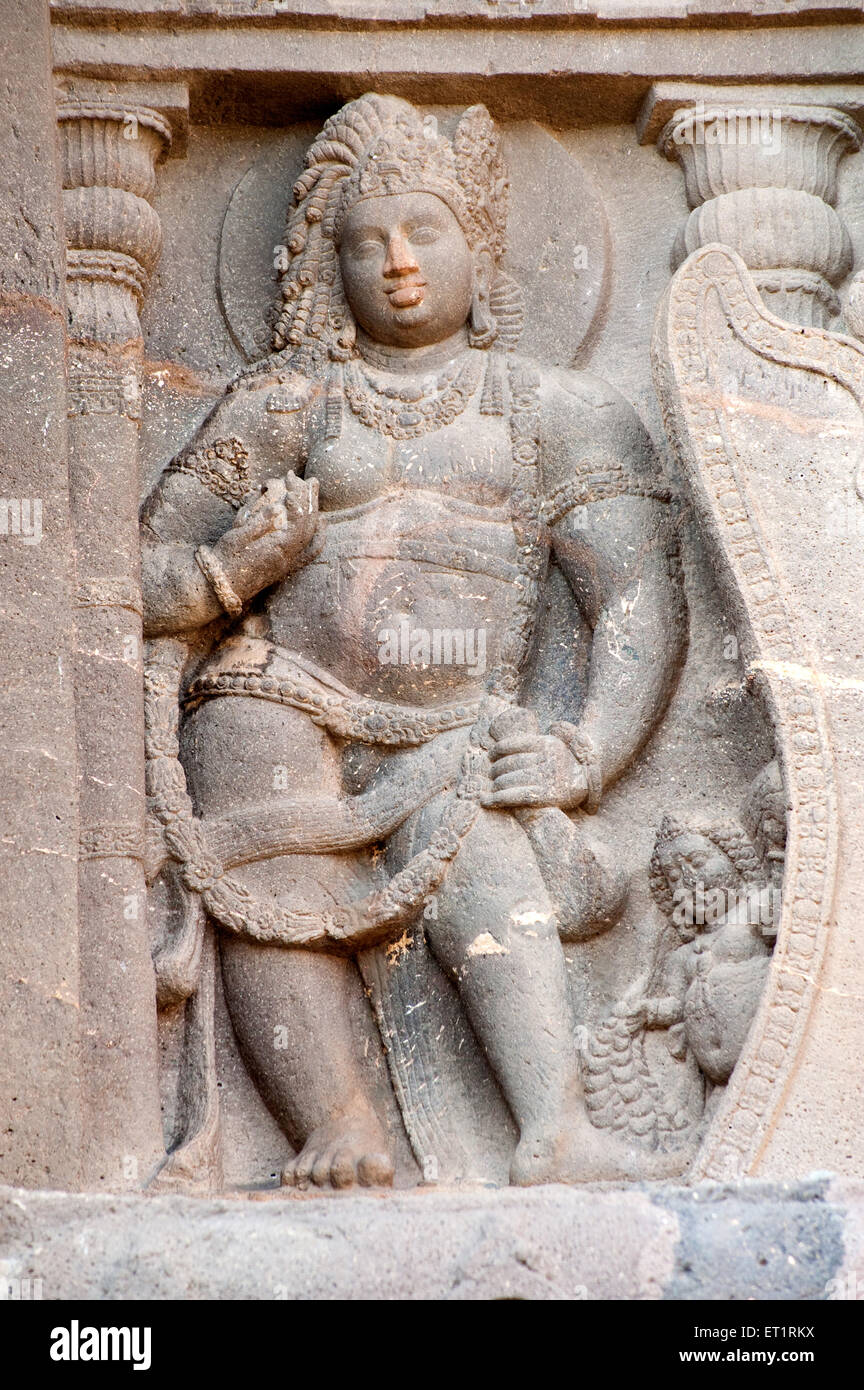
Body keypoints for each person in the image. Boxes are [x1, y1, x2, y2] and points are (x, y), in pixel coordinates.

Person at [142, 94, 685, 1188]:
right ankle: (336, 1118)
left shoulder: (551, 411)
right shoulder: (285, 402)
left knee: (476, 836)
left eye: (425, 231)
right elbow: (139, 575)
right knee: (259, 813)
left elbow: (633, 600)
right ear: (326, 268)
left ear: (480, 250)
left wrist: (586, 749)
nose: (397, 263)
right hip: (283, 692)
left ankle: (553, 1126)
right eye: (366, 241)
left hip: (456, 719)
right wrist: (232, 571)